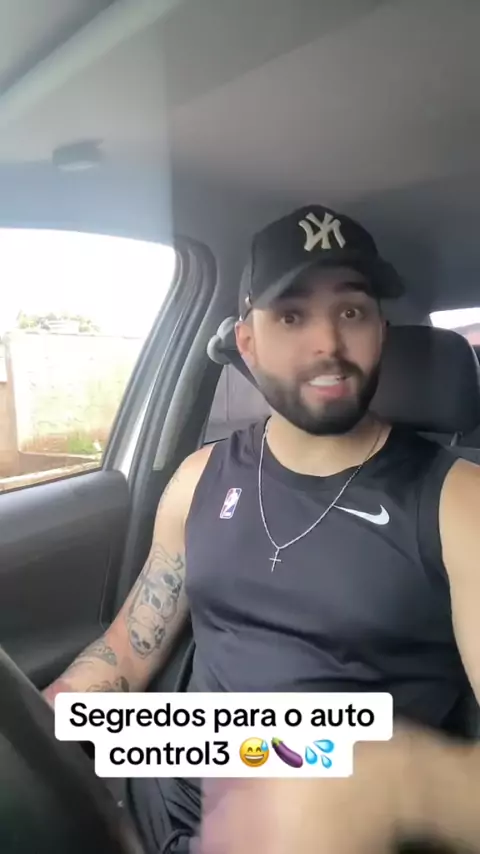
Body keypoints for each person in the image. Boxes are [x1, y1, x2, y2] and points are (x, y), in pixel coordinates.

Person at [43, 204, 480, 854]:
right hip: (150, 808)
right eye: (292, 315)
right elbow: (128, 652)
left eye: (352, 311)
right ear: (247, 343)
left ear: (381, 332)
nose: (328, 343)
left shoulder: (457, 503)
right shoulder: (199, 480)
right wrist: (40, 726)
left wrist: (401, 784)